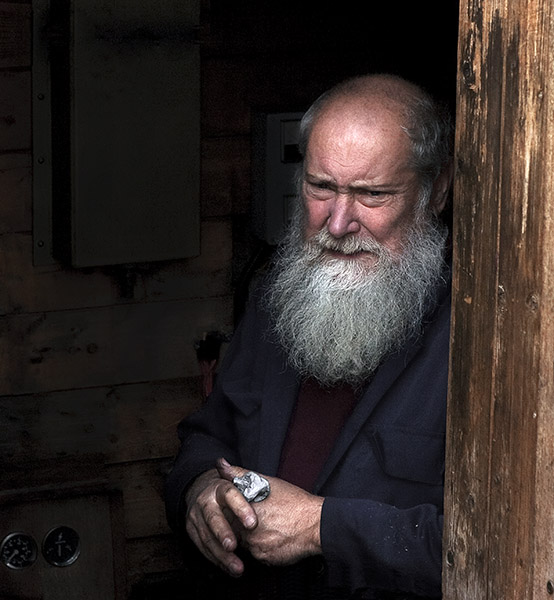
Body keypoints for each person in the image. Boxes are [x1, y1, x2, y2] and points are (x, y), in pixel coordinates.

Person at [165, 73, 454, 600]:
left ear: (435, 192)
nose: (337, 224)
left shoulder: (482, 336)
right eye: (321, 187)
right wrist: (200, 488)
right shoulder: (278, 294)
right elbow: (208, 432)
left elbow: (505, 549)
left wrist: (321, 528)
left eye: (372, 195)